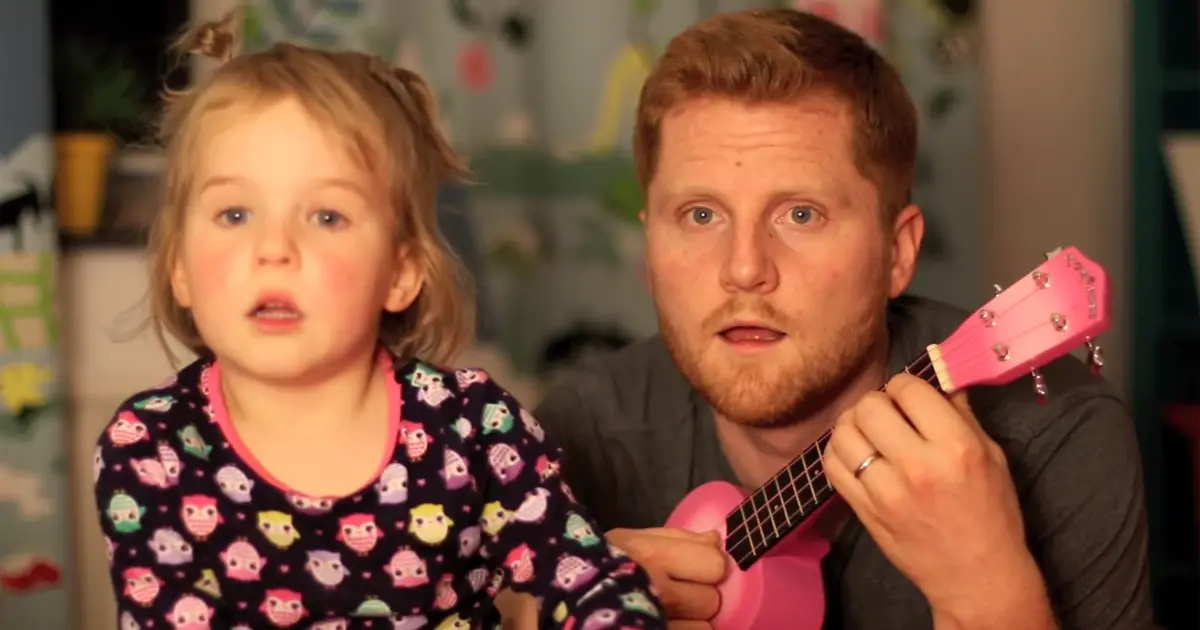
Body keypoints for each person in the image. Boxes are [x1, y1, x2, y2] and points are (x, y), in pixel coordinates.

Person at [532, 9, 1155, 630]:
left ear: (898, 253)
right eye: (700, 216)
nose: (744, 269)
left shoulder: (1057, 437)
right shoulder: (577, 437)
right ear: (649, 246)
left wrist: (987, 591)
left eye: (800, 215)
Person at [91, 14, 666, 630]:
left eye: (327, 217)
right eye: (235, 214)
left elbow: (587, 579)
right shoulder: (152, 446)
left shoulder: (473, 428)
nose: (274, 248)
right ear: (179, 267)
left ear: (401, 272)